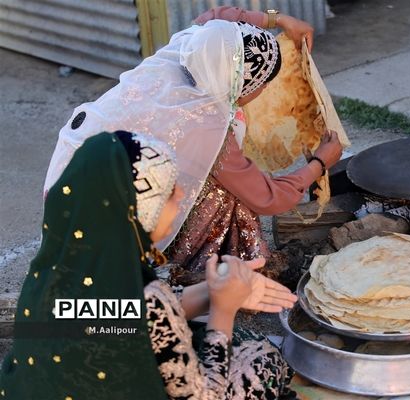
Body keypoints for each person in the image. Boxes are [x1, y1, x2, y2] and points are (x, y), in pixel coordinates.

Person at [43, 8, 343, 287]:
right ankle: (197, 268)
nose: (264, 90)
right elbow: (267, 198)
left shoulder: (187, 49)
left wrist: (276, 20)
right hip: (105, 240)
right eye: (262, 84)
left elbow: (214, 18)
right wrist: (319, 162)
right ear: (240, 85)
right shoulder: (206, 128)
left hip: (67, 200)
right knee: (227, 196)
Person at [0, 131, 298, 399]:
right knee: (262, 359)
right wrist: (224, 310)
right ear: (137, 214)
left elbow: (117, 320)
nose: (181, 196)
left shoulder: (53, 272)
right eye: (168, 193)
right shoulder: (145, 296)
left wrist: (214, 291)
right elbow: (204, 396)